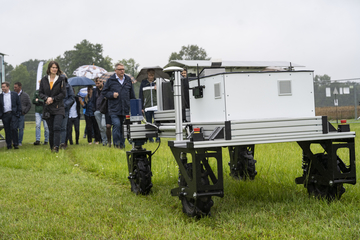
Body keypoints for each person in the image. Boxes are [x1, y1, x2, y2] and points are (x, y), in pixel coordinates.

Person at [102, 63, 135, 148]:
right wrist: (112, 95)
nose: (122, 71)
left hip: (125, 108)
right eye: (120, 69)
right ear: (115, 70)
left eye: (123, 69)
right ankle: (116, 143)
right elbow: (104, 92)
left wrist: (135, 107)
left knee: (123, 127)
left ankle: (122, 144)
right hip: (114, 108)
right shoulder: (110, 80)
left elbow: (132, 95)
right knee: (116, 124)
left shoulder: (128, 80)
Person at [39, 61, 67, 153]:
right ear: (49, 68)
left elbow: (63, 93)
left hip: (59, 107)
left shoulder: (61, 79)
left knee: (56, 127)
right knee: (51, 129)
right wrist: (46, 98)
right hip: (48, 108)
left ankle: (56, 147)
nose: (54, 69)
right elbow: (40, 93)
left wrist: (53, 99)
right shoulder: (44, 80)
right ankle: (52, 147)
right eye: (53, 67)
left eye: (56, 67)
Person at [139, 69, 160, 143]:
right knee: (149, 123)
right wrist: (141, 107)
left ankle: (158, 138)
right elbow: (141, 96)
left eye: (152, 75)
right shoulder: (143, 83)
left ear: (154, 75)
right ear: (147, 75)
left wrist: (158, 89)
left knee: (157, 122)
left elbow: (162, 93)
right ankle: (150, 139)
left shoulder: (157, 82)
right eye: (149, 75)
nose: (151, 77)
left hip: (156, 106)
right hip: (147, 107)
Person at [0, 81, 21, 149]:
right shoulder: (0, 96)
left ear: (8, 87)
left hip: (13, 114)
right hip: (5, 115)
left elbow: (18, 104)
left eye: (4, 87)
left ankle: (15, 143)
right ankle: (9, 145)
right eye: (2, 87)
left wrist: (18, 113)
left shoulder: (14, 94)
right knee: (7, 130)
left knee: (14, 128)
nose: (2, 88)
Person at [59, 75, 75, 149]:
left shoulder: (69, 87)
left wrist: (65, 105)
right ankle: (56, 143)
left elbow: (72, 98)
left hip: (65, 109)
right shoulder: (55, 86)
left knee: (63, 127)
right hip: (56, 109)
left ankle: (62, 143)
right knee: (56, 127)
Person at [13, 82, 31, 146]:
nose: (14, 88)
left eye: (16, 87)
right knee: (14, 128)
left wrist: (24, 111)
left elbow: (29, 104)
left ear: (20, 87)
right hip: (14, 114)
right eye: (14, 87)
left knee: (21, 128)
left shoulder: (25, 95)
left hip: (21, 114)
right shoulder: (12, 94)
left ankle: (19, 142)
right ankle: (14, 141)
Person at [92, 77, 107, 146]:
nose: (97, 85)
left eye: (98, 83)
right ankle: (104, 141)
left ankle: (108, 139)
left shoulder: (106, 88)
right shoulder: (95, 90)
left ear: (102, 82)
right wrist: (94, 109)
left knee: (104, 125)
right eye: (96, 83)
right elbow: (93, 99)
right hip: (97, 110)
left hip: (104, 110)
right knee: (100, 127)